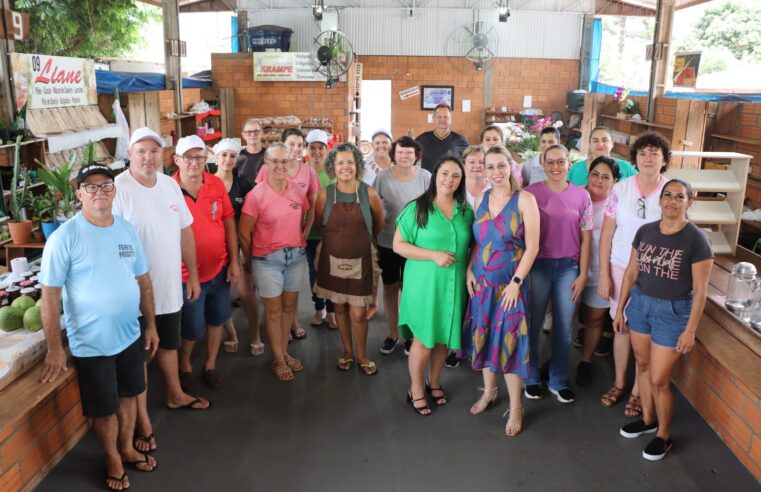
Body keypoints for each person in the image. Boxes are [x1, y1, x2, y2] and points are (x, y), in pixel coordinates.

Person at [40, 164, 159, 491]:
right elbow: (48, 297)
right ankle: (113, 459)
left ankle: (126, 447)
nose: (99, 192)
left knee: (130, 396)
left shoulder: (125, 229)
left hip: (130, 334)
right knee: (104, 409)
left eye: (105, 185)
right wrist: (54, 348)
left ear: (113, 190)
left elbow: (143, 281)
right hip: (92, 344)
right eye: (90, 187)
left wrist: (150, 325)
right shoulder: (65, 237)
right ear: (79, 194)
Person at [114, 128, 210, 456]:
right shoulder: (117, 189)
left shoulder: (171, 185)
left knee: (168, 344)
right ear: (130, 153)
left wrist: (193, 276)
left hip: (169, 286)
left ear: (163, 155)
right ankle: (142, 420)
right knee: (140, 355)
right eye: (141, 151)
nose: (148, 157)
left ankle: (174, 393)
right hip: (133, 293)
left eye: (154, 151)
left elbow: (185, 232)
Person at [615, 179, 713, 461]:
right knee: (642, 366)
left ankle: (664, 435)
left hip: (672, 312)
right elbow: (632, 273)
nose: (672, 200)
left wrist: (690, 330)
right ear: (660, 201)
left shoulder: (696, 238)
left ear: (689, 202)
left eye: (679, 197)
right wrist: (621, 308)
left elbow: (701, 290)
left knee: (659, 379)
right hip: (640, 306)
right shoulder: (645, 231)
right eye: (667, 195)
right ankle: (648, 420)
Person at [463, 145, 539, 436]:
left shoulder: (525, 200)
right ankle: (489, 392)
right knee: (482, 335)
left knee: (509, 340)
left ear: (511, 167)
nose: (495, 172)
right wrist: (470, 268)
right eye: (489, 167)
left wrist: (516, 284)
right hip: (482, 282)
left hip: (511, 285)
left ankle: (517, 406)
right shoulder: (480, 198)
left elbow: (533, 247)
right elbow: (478, 242)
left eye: (500, 166)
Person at [393, 155, 474, 415]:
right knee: (424, 340)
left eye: (455, 175)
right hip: (424, 286)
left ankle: (434, 381)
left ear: (461, 181)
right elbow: (399, 245)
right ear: (435, 176)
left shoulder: (465, 211)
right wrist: (433, 254)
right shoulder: (418, 208)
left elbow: (474, 244)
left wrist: (471, 269)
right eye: (444, 174)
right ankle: (415, 389)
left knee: (443, 341)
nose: (449, 179)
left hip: (454, 286)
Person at [597, 131, 671, 417]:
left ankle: (639, 391)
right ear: (635, 159)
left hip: (655, 272)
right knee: (622, 327)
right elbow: (606, 233)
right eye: (643, 153)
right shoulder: (621, 189)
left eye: (655, 153)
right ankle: (618, 382)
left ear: (664, 159)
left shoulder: (671, 189)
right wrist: (604, 274)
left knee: (646, 330)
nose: (648, 158)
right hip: (618, 267)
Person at [523, 144, 593, 403]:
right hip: (538, 266)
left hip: (568, 267)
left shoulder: (581, 196)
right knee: (533, 323)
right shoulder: (530, 194)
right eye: (550, 162)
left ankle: (558, 379)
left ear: (569, 164)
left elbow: (586, 240)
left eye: (560, 162)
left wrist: (583, 273)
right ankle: (530, 377)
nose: (555, 167)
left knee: (564, 327)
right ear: (542, 163)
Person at [174, 135, 239, 389]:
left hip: (219, 269)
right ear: (177, 160)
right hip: (185, 275)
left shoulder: (215, 184)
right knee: (192, 327)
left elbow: (228, 222)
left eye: (199, 157)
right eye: (188, 157)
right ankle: (185, 363)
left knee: (218, 319)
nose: (194, 163)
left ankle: (210, 364)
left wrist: (234, 261)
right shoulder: (168, 189)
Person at [314, 143, 385, 375]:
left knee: (357, 312)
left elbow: (378, 224)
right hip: (332, 258)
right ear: (333, 167)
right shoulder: (325, 194)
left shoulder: (369, 193)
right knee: (340, 309)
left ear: (358, 165)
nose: (346, 167)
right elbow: (319, 225)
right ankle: (347, 352)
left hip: (361, 259)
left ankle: (362, 355)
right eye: (340, 162)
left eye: (350, 162)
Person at [240, 142, 309, 381]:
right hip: (267, 260)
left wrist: (301, 240)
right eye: (275, 161)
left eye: (284, 161)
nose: (280, 166)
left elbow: (305, 217)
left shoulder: (297, 191)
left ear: (291, 163)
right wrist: (251, 259)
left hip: (295, 257)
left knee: (289, 308)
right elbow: (243, 233)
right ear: (266, 164)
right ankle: (278, 359)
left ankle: (284, 352)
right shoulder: (256, 195)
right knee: (273, 310)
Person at [256, 128, 320, 340]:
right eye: (291, 144)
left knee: (292, 288)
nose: (295, 149)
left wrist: (305, 232)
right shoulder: (269, 169)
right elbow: (258, 202)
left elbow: (311, 207)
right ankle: (279, 326)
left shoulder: (308, 172)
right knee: (275, 290)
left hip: (295, 240)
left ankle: (292, 321)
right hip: (270, 242)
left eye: (300, 145)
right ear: (283, 145)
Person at [374, 136, 432, 355]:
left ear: (416, 155)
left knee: (410, 291)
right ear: (393, 155)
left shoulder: (426, 177)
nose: (405, 156)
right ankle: (392, 334)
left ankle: (409, 335)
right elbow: (374, 206)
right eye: (400, 153)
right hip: (387, 242)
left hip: (416, 245)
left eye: (409, 153)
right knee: (389, 288)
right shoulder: (383, 177)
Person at [213, 139, 263, 356]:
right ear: (215, 157)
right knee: (219, 295)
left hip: (240, 247)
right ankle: (231, 333)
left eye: (232, 156)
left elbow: (257, 214)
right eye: (223, 155)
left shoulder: (243, 184)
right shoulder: (206, 184)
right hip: (215, 248)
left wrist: (247, 250)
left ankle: (255, 334)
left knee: (246, 293)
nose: (228, 160)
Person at [575, 156, 619, 387]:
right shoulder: (574, 196)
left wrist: (606, 275)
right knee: (563, 319)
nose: (599, 181)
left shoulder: (616, 205)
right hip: (571, 270)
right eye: (595, 174)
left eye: (606, 177)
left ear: (614, 182)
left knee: (594, 319)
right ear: (588, 175)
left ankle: (585, 361)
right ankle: (554, 362)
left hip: (601, 271)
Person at [305, 129, 337, 329]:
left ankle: (332, 311)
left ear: (327, 149)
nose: (316, 152)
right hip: (308, 233)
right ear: (306, 149)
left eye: (320, 148)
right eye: (312, 148)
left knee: (331, 272)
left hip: (330, 232)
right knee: (314, 272)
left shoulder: (333, 173)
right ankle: (319, 308)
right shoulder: (301, 171)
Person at [567, 126, 637, 187]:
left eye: (604, 140)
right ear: (589, 144)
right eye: (595, 141)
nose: (600, 144)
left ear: (612, 143)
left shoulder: (625, 167)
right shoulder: (576, 168)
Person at [416, 103, 469, 173]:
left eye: (445, 117)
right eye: (439, 117)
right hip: (428, 182)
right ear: (433, 119)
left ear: (450, 120)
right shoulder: (422, 139)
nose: (442, 119)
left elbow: (469, 163)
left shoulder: (460, 140)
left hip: (450, 182)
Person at [235, 118, 265, 185]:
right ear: (243, 135)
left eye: (256, 131)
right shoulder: (237, 156)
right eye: (249, 132)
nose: (253, 134)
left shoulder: (270, 155)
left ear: (262, 133)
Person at [462, 145, 490, 209]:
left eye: (481, 162)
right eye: (472, 162)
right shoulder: (456, 188)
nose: (477, 165)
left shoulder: (494, 188)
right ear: (464, 165)